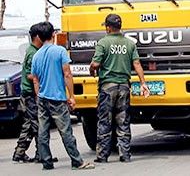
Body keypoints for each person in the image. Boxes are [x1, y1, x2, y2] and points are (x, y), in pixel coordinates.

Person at [31, 21, 95, 170]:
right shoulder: (59, 51)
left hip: (42, 97)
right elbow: (67, 74)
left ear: (39, 37)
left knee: (43, 131)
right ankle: (77, 161)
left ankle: (46, 162)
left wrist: (38, 96)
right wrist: (71, 96)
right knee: (66, 131)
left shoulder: (36, 55)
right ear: (53, 34)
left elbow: (35, 80)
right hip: (57, 98)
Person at [89, 14, 149, 163]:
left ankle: (102, 155)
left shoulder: (103, 43)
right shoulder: (129, 44)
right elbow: (137, 64)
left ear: (108, 27)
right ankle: (125, 154)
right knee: (123, 120)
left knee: (105, 121)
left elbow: (95, 64)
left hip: (107, 87)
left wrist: (92, 70)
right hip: (124, 86)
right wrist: (143, 83)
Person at [12, 23, 43, 163]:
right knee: (36, 123)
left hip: (29, 93)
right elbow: (31, 75)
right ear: (37, 37)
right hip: (31, 94)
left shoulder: (33, 50)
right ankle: (41, 154)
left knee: (29, 124)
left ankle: (20, 153)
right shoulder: (33, 52)